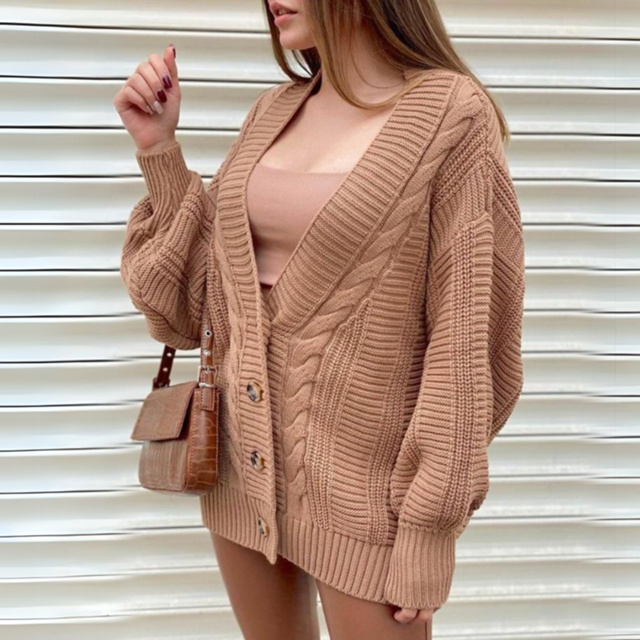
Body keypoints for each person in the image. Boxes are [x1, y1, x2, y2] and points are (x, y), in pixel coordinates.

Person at [113, 1, 525, 638]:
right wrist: (160, 149)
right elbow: (191, 310)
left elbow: (467, 338)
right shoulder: (271, 112)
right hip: (239, 476)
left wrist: (430, 524)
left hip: (367, 501)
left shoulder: (452, 114)